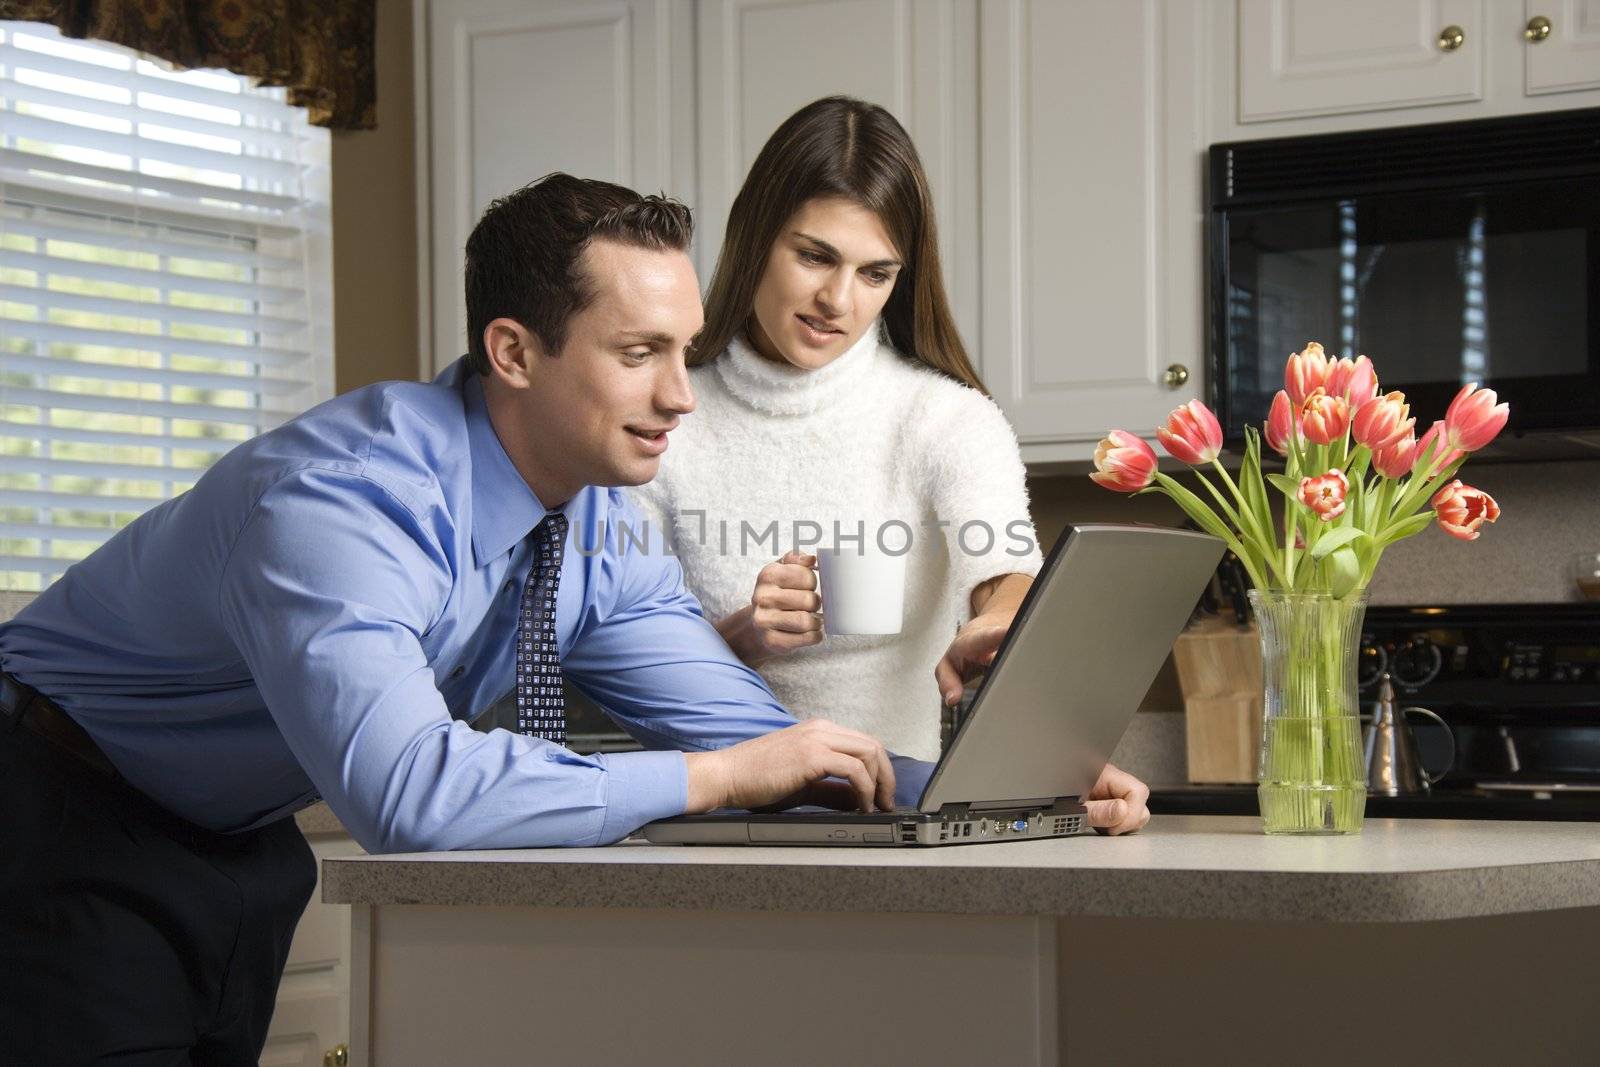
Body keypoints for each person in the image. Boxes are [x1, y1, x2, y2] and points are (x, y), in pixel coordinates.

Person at [0, 174, 915, 1066]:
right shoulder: (343, 504)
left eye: (685, 350)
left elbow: (766, 743)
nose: (681, 395)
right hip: (63, 811)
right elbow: (410, 791)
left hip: (244, 837)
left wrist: (993, 784)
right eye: (640, 354)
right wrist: (714, 779)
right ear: (513, 352)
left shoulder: (597, 531)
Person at [633, 96, 1152, 830]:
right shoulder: (664, 418)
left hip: (900, 813)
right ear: (754, 236)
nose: (836, 300)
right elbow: (631, 657)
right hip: (713, 818)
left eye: (874, 273)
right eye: (813, 255)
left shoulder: (944, 418)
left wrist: (1000, 629)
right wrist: (744, 634)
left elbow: (1003, 574)